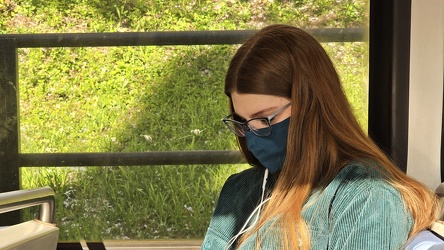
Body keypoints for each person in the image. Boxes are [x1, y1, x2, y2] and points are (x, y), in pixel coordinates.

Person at [201, 24, 441, 250]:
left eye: (264, 119)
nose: (252, 142)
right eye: (242, 123)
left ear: (311, 106)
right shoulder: (239, 190)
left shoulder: (364, 197)